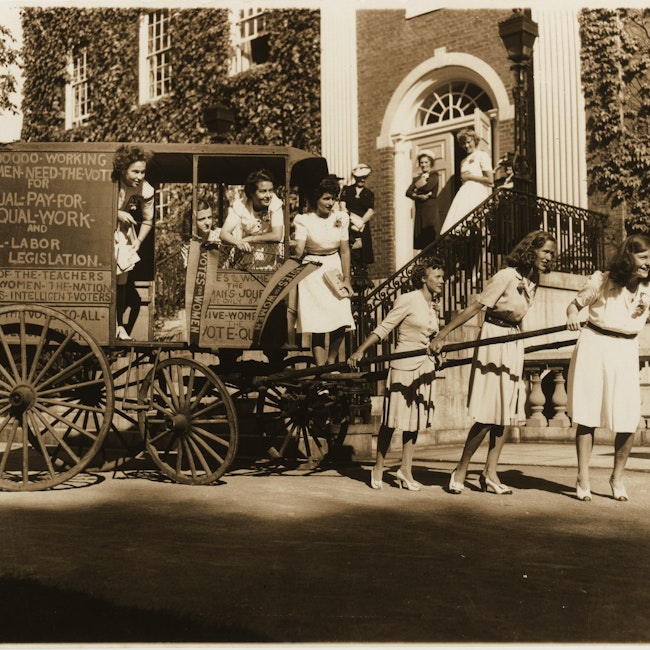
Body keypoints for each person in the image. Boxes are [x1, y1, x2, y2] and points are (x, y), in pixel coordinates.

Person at [431, 230, 557, 494]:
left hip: (512, 341)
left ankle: (490, 473)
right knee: (489, 411)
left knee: (505, 411)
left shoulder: (533, 280)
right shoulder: (506, 276)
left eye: (551, 253)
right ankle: (461, 469)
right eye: (545, 251)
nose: (549, 257)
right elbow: (476, 306)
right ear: (531, 250)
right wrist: (443, 334)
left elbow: (519, 316)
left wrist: (522, 343)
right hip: (493, 338)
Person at [566, 234, 650, 502]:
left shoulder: (648, 288)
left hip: (626, 350)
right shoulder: (601, 280)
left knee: (628, 418)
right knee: (587, 414)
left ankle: (617, 477)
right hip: (595, 346)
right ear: (628, 256)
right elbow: (574, 305)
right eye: (643, 257)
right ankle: (583, 476)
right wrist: (572, 316)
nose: (648, 262)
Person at [348, 259, 445, 491]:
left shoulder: (433, 305)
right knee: (391, 420)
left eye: (442, 276)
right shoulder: (408, 299)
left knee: (415, 420)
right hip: (403, 365)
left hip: (425, 366)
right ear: (423, 278)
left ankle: (405, 470)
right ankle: (378, 467)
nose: (442, 281)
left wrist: (439, 352)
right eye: (438, 277)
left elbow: (433, 336)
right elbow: (384, 328)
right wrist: (360, 350)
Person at [293, 177, 355, 366]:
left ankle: (331, 362)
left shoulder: (341, 218)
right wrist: (294, 245)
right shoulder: (304, 220)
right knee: (317, 322)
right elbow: (299, 250)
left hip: (334, 267)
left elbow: (345, 250)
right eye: (326, 198)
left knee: (342, 316)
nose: (331, 203)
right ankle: (320, 369)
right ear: (316, 199)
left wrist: (347, 278)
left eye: (333, 198)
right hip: (312, 270)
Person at [113, 144, 154, 341]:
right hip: (102, 231)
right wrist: (117, 213)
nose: (139, 176)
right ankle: (110, 322)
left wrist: (138, 241)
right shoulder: (111, 181)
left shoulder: (145, 189)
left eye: (142, 172)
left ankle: (118, 325)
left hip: (122, 235)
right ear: (123, 169)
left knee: (121, 280)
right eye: (135, 172)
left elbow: (148, 219)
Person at [219, 168, 283, 268]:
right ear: (252, 193)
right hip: (247, 253)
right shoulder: (240, 205)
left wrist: (250, 238)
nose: (268, 195)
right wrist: (238, 242)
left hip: (271, 255)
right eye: (263, 191)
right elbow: (224, 233)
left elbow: (277, 236)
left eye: (270, 190)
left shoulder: (275, 204)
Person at [440, 128, 494, 235]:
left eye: (469, 142)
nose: (466, 145)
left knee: (478, 224)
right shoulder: (463, 161)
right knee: (462, 226)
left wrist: (470, 177)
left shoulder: (481, 155)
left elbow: (490, 179)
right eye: (464, 143)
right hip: (464, 194)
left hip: (477, 192)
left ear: (475, 141)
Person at [340, 163, 375, 266]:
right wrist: (351, 220)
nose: (362, 180)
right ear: (355, 177)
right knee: (349, 250)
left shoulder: (369, 193)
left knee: (363, 254)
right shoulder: (347, 190)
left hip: (362, 226)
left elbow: (370, 210)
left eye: (364, 177)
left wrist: (360, 222)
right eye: (360, 177)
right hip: (349, 223)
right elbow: (342, 206)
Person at [406, 150, 440, 249]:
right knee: (422, 241)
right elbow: (407, 192)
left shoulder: (434, 175)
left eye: (426, 162)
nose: (424, 165)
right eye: (421, 162)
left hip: (430, 210)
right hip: (420, 211)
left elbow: (427, 187)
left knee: (430, 238)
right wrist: (418, 196)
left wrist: (415, 190)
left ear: (431, 163)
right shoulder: (417, 178)